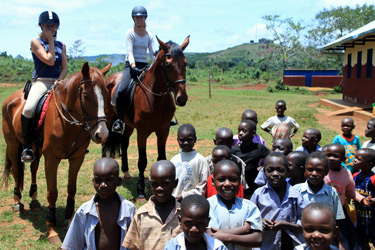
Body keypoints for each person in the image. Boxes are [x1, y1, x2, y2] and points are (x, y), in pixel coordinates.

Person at [21, 10, 67, 163]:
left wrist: (60, 80)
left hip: (57, 81)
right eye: (48, 26)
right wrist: (50, 41)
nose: (51, 29)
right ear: (41, 26)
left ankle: (75, 141)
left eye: (54, 26)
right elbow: (50, 60)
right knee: (28, 109)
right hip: (42, 81)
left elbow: (64, 68)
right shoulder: (36, 42)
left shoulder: (62, 45)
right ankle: (27, 146)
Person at [61, 158, 136, 250]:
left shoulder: (129, 209)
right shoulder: (84, 212)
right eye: (98, 180)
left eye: (108, 180)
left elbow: (136, 242)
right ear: (93, 181)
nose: (102, 185)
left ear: (118, 181)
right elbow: (72, 244)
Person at [111, 6, 155, 133]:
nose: (139, 19)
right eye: (137, 17)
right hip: (131, 66)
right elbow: (129, 51)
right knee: (122, 90)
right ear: (133, 19)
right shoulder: (130, 33)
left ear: (145, 18)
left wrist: (153, 67)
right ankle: (119, 120)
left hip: (145, 66)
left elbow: (153, 54)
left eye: (141, 17)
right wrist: (133, 66)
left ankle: (166, 118)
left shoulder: (149, 35)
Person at [250, 152, 306, 250]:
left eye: (280, 170)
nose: (275, 174)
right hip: (265, 245)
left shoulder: (296, 196)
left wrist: (286, 225)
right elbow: (249, 218)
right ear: (264, 172)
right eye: (270, 170)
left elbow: (304, 223)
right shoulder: (258, 194)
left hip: (290, 246)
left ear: (288, 171)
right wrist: (260, 222)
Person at [123, 160, 182, 249]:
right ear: (150, 183)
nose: (159, 188)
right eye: (155, 184)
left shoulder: (183, 214)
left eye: (165, 184)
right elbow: (132, 246)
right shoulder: (141, 215)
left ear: (175, 183)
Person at [207, 160, 263, 250]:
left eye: (233, 179)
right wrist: (245, 229)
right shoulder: (207, 206)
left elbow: (257, 239)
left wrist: (226, 236)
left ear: (240, 180)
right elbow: (211, 236)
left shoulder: (249, 207)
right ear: (213, 181)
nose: (227, 184)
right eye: (221, 179)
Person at [322, 143, 369, 250]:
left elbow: (349, 191)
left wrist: (361, 199)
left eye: (335, 156)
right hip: (323, 212)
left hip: (339, 212)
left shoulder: (346, 173)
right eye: (328, 155)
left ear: (343, 158)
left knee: (347, 240)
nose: (331, 159)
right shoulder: (322, 172)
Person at [293, 152, 345, 222]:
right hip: (300, 231)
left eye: (319, 170)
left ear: (326, 172)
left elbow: (338, 217)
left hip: (324, 231)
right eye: (310, 169)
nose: (314, 174)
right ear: (305, 171)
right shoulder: (296, 190)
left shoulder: (331, 192)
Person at [170, 124, 209, 201]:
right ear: (177, 140)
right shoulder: (174, 160)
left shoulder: (200, 160)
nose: (185, 143)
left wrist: (184, 196)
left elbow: (204, 185)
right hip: (175, 202)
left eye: (189, 140)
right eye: (182, 140)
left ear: (195, 139)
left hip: (194, 202)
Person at [231, 120, 270, 195]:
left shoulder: (258, 148)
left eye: (244, 131)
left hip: (253, 186)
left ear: (253, 133)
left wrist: (263, 167)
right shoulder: (234, 149)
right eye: (239, 130)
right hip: (238, 186)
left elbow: (271, 156)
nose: (240, 133)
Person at [352, 148, 375, 249]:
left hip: (372, 217)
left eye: (358, 159)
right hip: (358, 215)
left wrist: (373, 200)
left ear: (369, 165)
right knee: (361, 240)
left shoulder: (373, 179)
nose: (354, 160)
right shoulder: (355, 176)